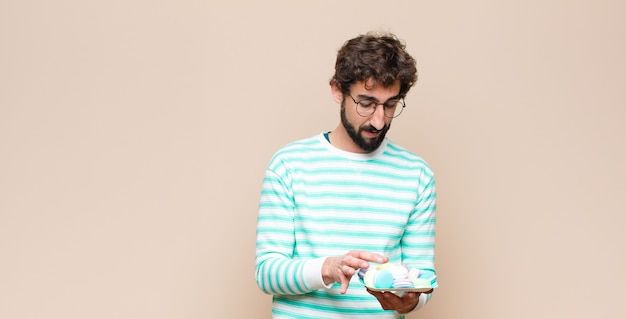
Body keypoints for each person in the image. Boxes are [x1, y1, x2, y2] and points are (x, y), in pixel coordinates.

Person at [255, 31, 437, 318]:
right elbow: (266, 273)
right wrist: (328, 267)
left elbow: (422, 274)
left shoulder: (417, 175)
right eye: (365, 103)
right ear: (337, 90)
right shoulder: (289, 165)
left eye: (390, 105)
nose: (379, 120)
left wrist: (411, 301)